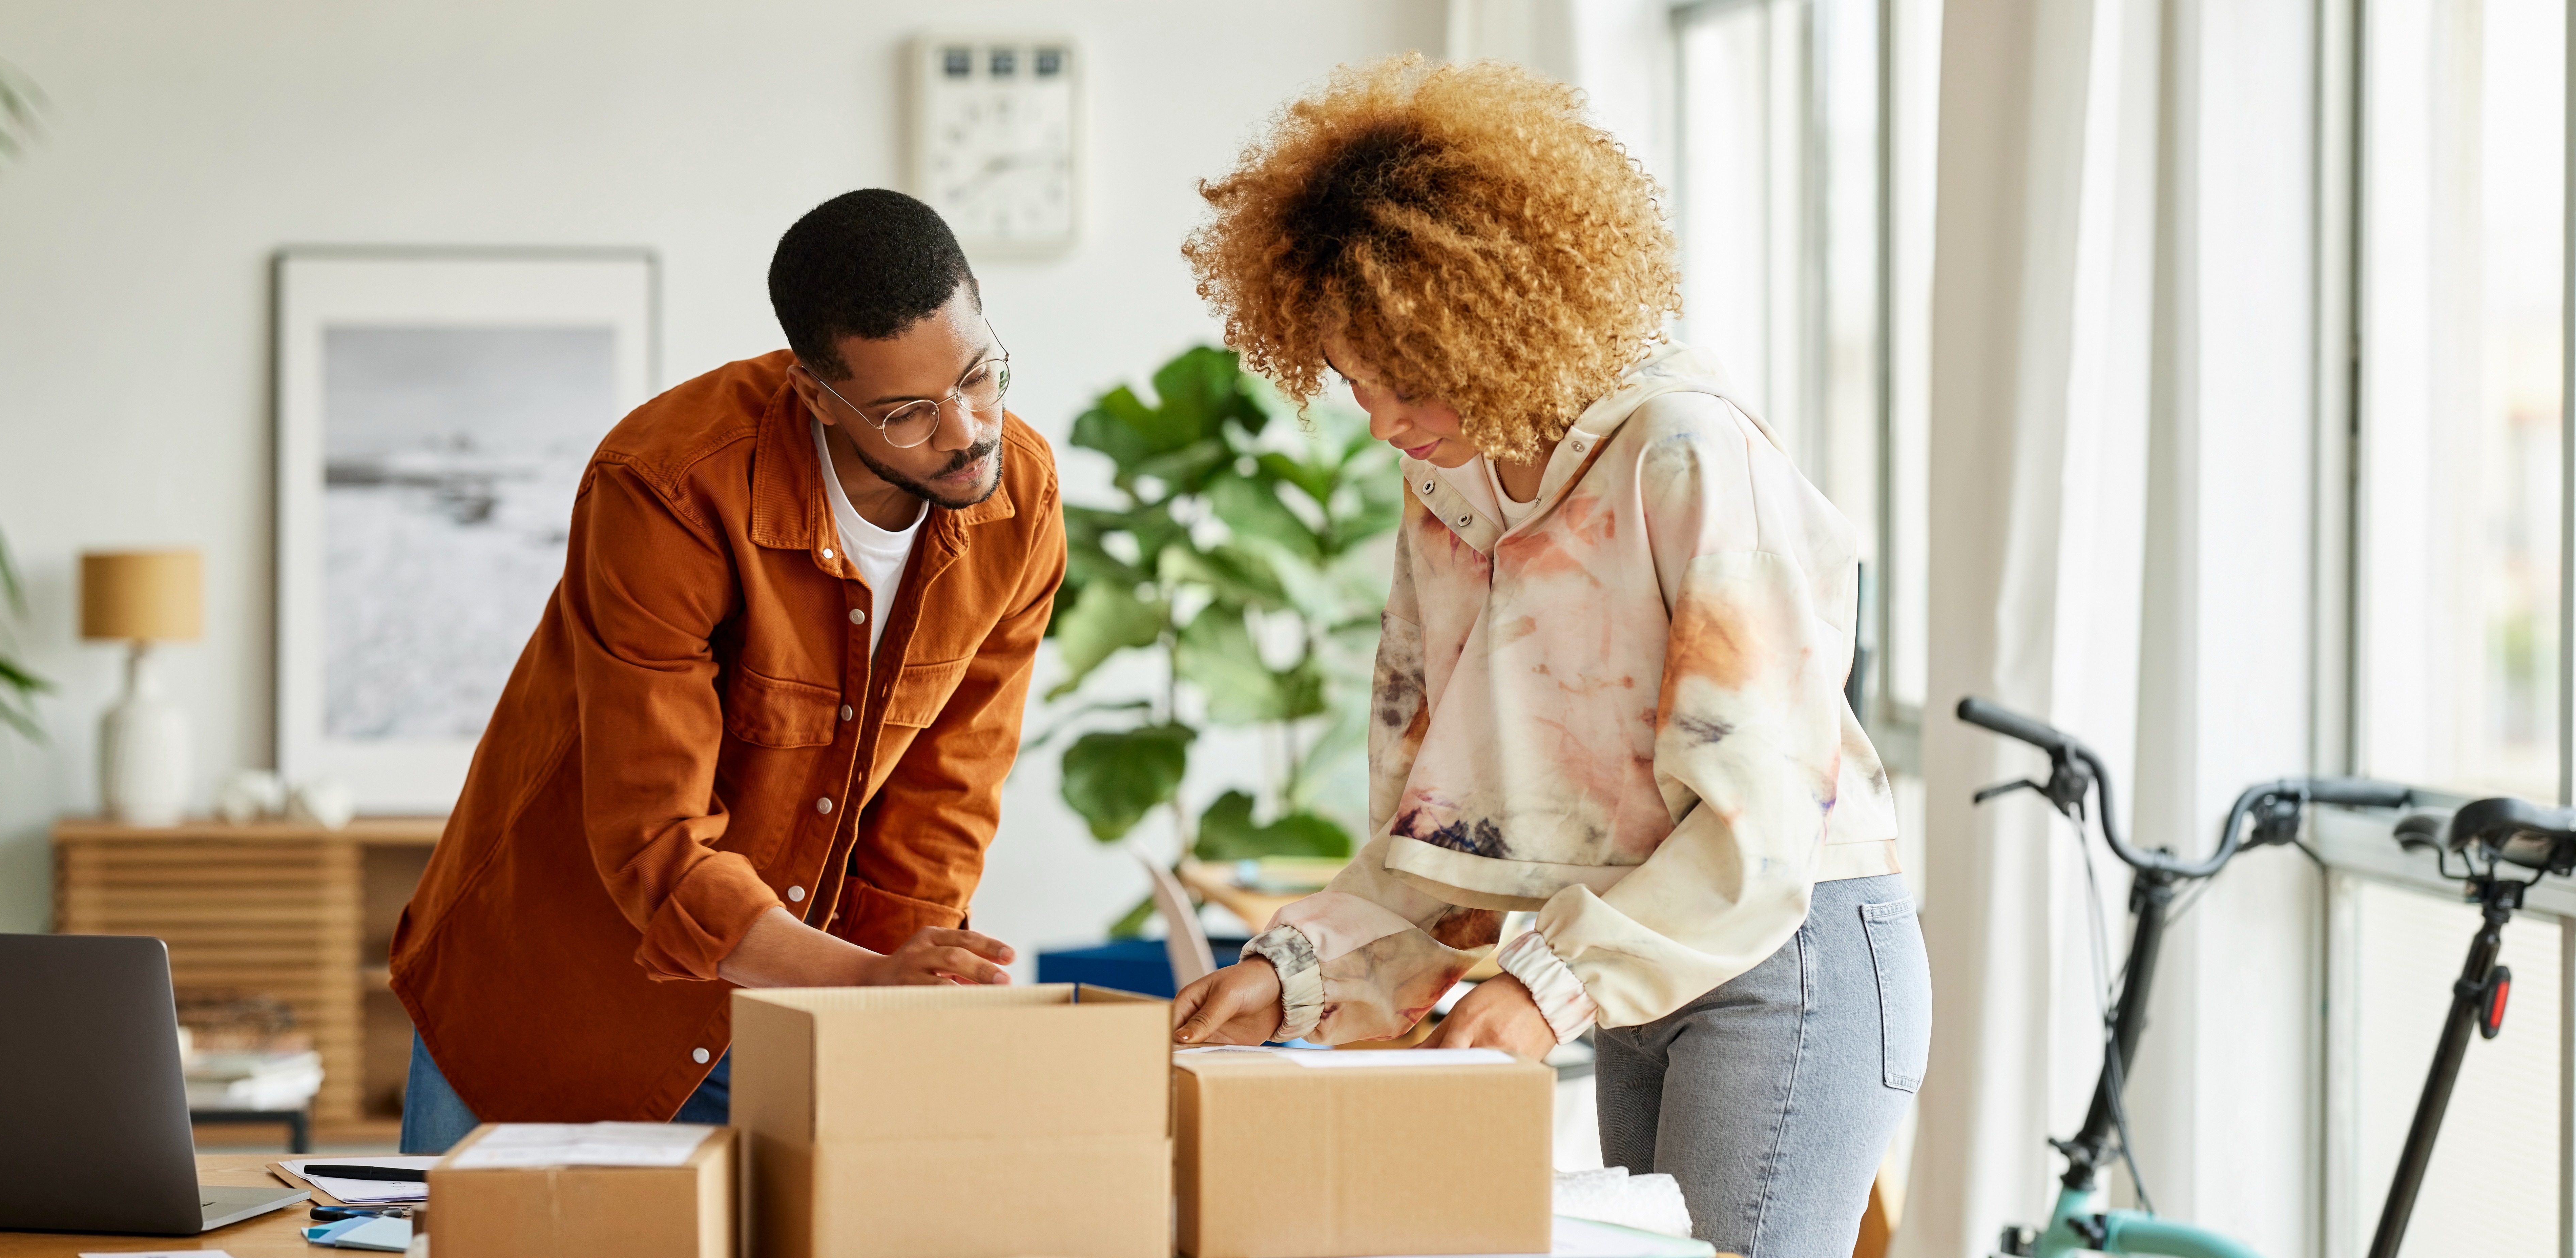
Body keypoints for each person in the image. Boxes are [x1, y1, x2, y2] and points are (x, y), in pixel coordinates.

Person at [1167, 58, 1927, 1258]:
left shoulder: (1683, 453)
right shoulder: (1446, 490)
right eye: (1355, 382)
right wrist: (1297, 972)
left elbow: (1766, 819)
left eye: (1410, 380)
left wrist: (1545, 986)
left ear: (1494, 325)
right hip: (1630, 960)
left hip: (1791, 954)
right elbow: (1448, 824)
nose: (1383, 421)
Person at [387, 189, 1065, 1153]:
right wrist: (864, 979)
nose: (964, 431)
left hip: (802, 1004)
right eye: (907, 414)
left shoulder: (1020, 500)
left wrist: (896, 1001)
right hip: (565, 999)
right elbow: (653, 837)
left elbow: (947, 796)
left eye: (979, 375)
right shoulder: (667, 486)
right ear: (817, 396)